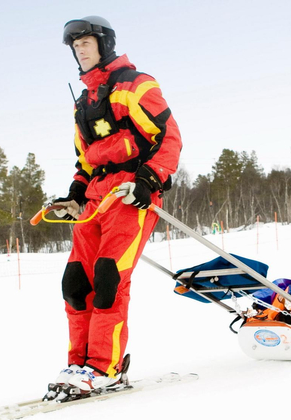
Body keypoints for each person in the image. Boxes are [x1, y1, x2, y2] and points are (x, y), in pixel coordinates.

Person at [49, 16, 182, 396]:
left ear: (104, 43)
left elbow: (169, 138)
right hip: (95, 199)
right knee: (76, 283)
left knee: (109, 277)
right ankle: (79, 363)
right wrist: (75, 193)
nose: (80, 48)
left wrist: (150, 178)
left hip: (129, 194)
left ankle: (105, 367)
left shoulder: (136, 85)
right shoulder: (83, 103)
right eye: (75, 46)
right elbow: (85, 161)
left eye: (86, 41)